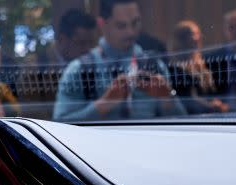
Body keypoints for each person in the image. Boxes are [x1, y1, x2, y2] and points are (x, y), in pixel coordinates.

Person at [53, 0, 186, 121]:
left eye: (135, 23)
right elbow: (59, 125)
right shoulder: (79, 69)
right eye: (121, 26)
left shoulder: (154, 65)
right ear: (102, 24)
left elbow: (183, 123)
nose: (131, 32)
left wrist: (167, 98)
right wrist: (103, 105)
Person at [169, 21, 229, 114]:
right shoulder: (177, 69)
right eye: (193, 34)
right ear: (182, 39)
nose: (199, 37)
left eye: (198, 33)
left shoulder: (204, 64)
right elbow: (189, 99)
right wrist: (211, 106)